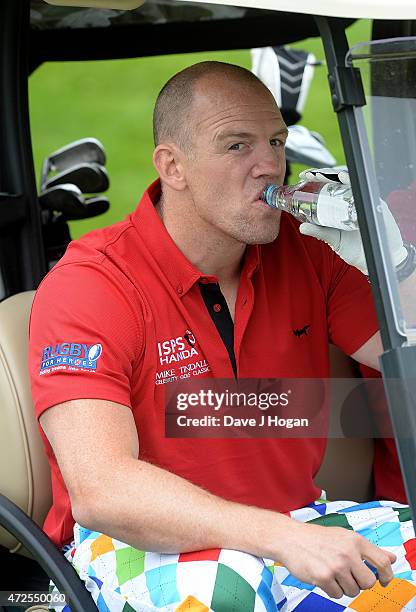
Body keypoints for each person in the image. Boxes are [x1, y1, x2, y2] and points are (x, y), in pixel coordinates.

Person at [28, 62, 416, 611]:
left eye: (277, 141)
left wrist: (395, 266)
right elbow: (103, 490)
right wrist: (281, 538)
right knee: (222, 592)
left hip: (294, 521)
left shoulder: (308, 253)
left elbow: (408, 360)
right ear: (173, 167)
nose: (271, 166)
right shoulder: (94, 283)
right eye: (237, 146)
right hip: (134, 543)